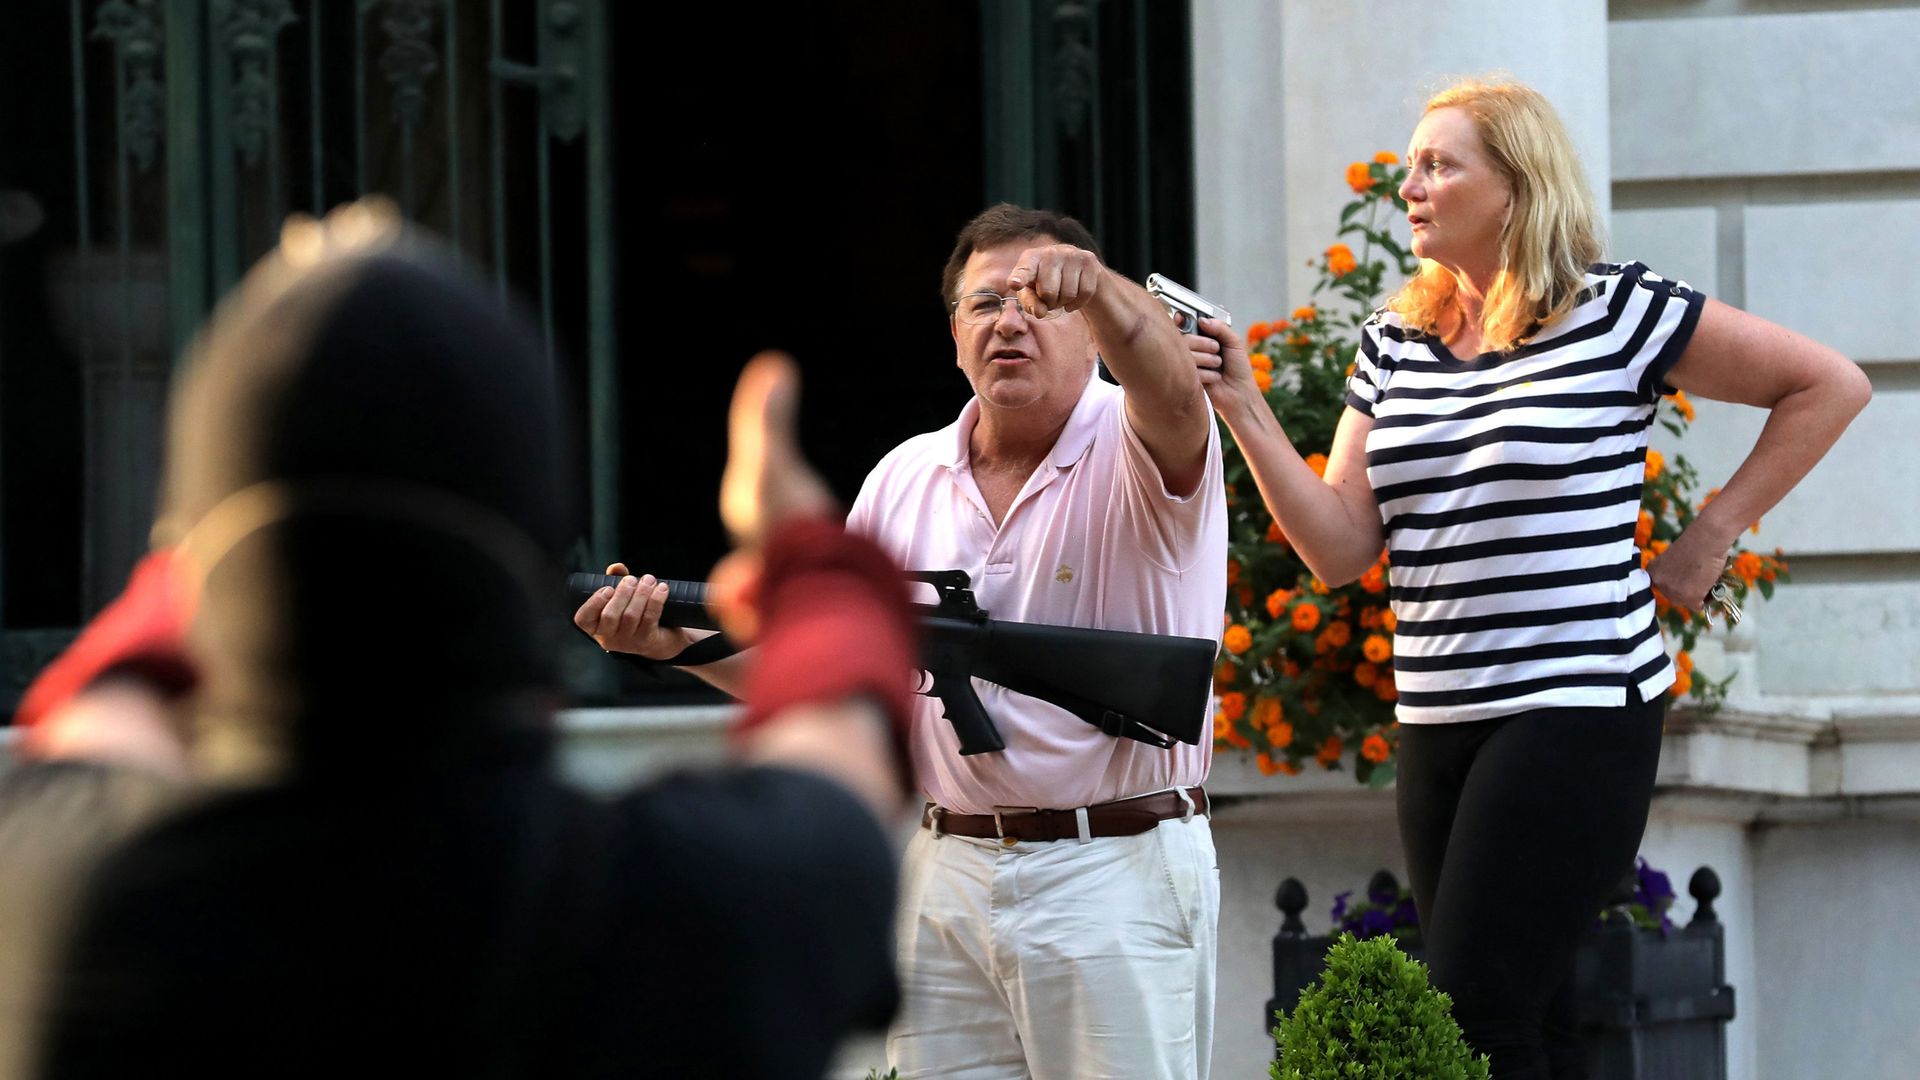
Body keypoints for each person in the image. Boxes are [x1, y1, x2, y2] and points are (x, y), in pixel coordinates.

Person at [23, 202, 919, 1080]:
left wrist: (206, 545)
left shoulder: (58, 890)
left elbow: (107, 698)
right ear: (534, 547)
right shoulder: (686, 907)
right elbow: (843, 740)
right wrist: (812, 560)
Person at [1188, 77, 1871, 1078]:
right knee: (1533, 1017)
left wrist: (1714, 530)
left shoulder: (1615, 311)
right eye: (1410, 165)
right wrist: (1242, 404)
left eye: (1439, 165)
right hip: (1436, 713)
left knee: (1473, 1011)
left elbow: (1829, 384)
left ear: (1517, 184)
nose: (1408, 186)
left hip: (1577, 704)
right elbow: (1337, 550)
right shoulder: (1394, 345)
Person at [576, 204, 1227, 1080]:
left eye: (1043, 301)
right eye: (986, 303)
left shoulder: (1141, 439)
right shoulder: (904, 475)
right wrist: (673, 644)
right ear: (954, 333)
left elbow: (1176, 392)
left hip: (1114, 868)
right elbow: (836, 677)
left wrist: (1106, 293)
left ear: (1093, 332)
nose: (1012, 322)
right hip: (945, 870)